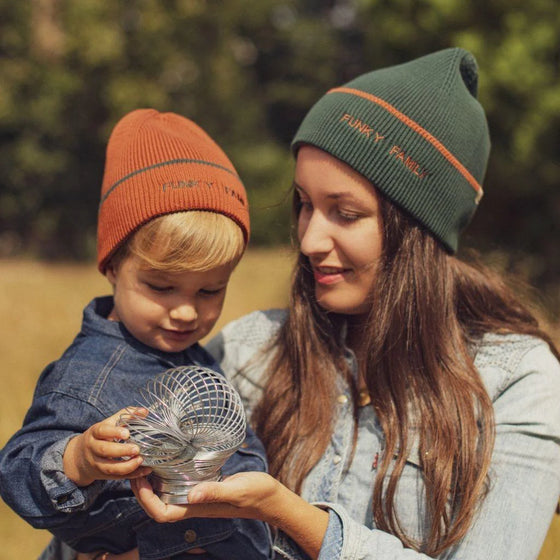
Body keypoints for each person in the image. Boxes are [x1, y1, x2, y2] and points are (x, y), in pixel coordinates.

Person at [131, 48, 560, 559]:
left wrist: (287, 515)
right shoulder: (250, 352)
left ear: (418, 230)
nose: (310, 238)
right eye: (305, 204)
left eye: (346, 213)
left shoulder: (517, 384)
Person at [0, 109, 271, 559]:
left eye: (210, 290)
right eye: (161, 287)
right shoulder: (88, 376)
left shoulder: (191, 357)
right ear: (111, 266)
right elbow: (17, 469)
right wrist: (81, 459)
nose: (186, 311)